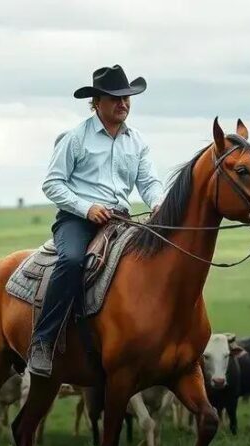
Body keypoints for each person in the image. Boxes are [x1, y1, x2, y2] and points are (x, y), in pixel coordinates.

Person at [28, 65, 165, 377]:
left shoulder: (137, 141)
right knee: (72, 260)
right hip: (78, 220)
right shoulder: (75, 138)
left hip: (122, 221)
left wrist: (157, 202)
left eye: (127, 97)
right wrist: (87, 208)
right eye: (115, 98)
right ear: (96, 102)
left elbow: (149, 183)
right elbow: (52, 184)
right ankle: (43, 341)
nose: (123, 103)